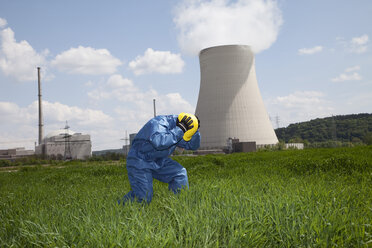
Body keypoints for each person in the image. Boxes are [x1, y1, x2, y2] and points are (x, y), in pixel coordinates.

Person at [119, 112, 201, 204]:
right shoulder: (159, 122)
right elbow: (159, 142)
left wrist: (195, 132)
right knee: (143, 197)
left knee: (179, 174)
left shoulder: (181, 128)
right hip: (139, 160)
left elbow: (192, 146)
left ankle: (179, 205)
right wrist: (180, 129)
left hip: (159, 160)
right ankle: (119, 207)